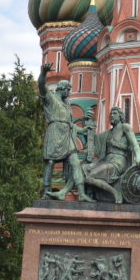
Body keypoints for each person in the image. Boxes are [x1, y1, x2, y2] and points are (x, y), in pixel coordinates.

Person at [40, 64, 91, 200]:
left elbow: (71, 126)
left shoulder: (67, 104)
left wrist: (83, 130)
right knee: (50, 162)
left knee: (75, 163)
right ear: (62, 89)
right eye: (68, 90)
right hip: (55, 132)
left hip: (67, 136)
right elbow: (41, 86)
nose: (69, 93)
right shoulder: (50, 98)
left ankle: (82, 194)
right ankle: (46, 190)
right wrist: (43, 73)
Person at [82, 106, 140, 203]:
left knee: (89, 177)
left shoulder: (125, 127)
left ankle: (116, 193)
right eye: (110, 114)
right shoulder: (108, 133)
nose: (111, 115)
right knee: (83, 168)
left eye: (114, 113)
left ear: (120, 116)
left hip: (118, 162)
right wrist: (87, 122)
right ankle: (87, 196)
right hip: (106, 160)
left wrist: (139, 157)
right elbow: (92, 139)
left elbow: (135, 144)